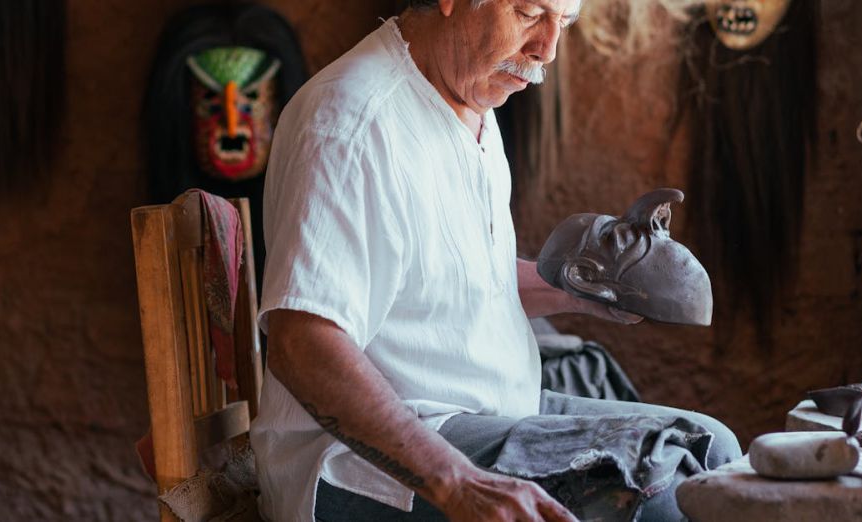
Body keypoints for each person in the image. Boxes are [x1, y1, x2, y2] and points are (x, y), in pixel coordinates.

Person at [250, 1, 742, 521]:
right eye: (530, 13)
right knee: (659, 496)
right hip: (367, 456)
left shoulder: (471, 103)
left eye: (565, 23)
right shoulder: (353, 120)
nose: (547, 49)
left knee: (710, 450)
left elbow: (457, 279)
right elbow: (301, 342)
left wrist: (581, 289)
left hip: (496, 413)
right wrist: (459, 483)